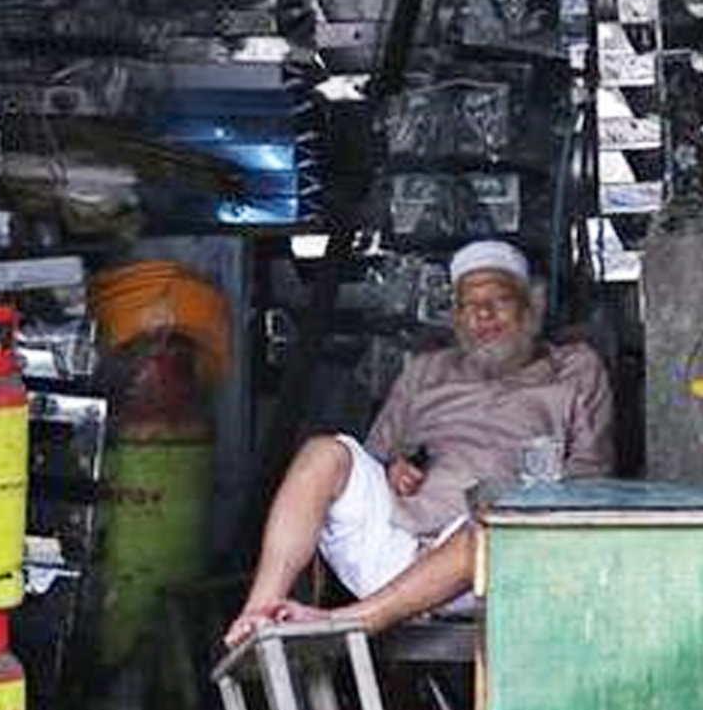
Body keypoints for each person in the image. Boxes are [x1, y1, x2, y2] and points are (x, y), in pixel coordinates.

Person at [223, 239, 612, 645]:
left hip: (494, 561)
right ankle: (259, 612)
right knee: (324, 453)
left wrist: (527, 500)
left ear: (530, 309)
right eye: (468, 305)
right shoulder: (426, 371)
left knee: (492, 523)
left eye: (500, 300)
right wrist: (394, 469)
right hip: (399, 544)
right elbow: (375, 457)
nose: (483, 314)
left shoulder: (574, 369)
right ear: (456, 318)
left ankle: (351, 621)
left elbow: (592, 478)